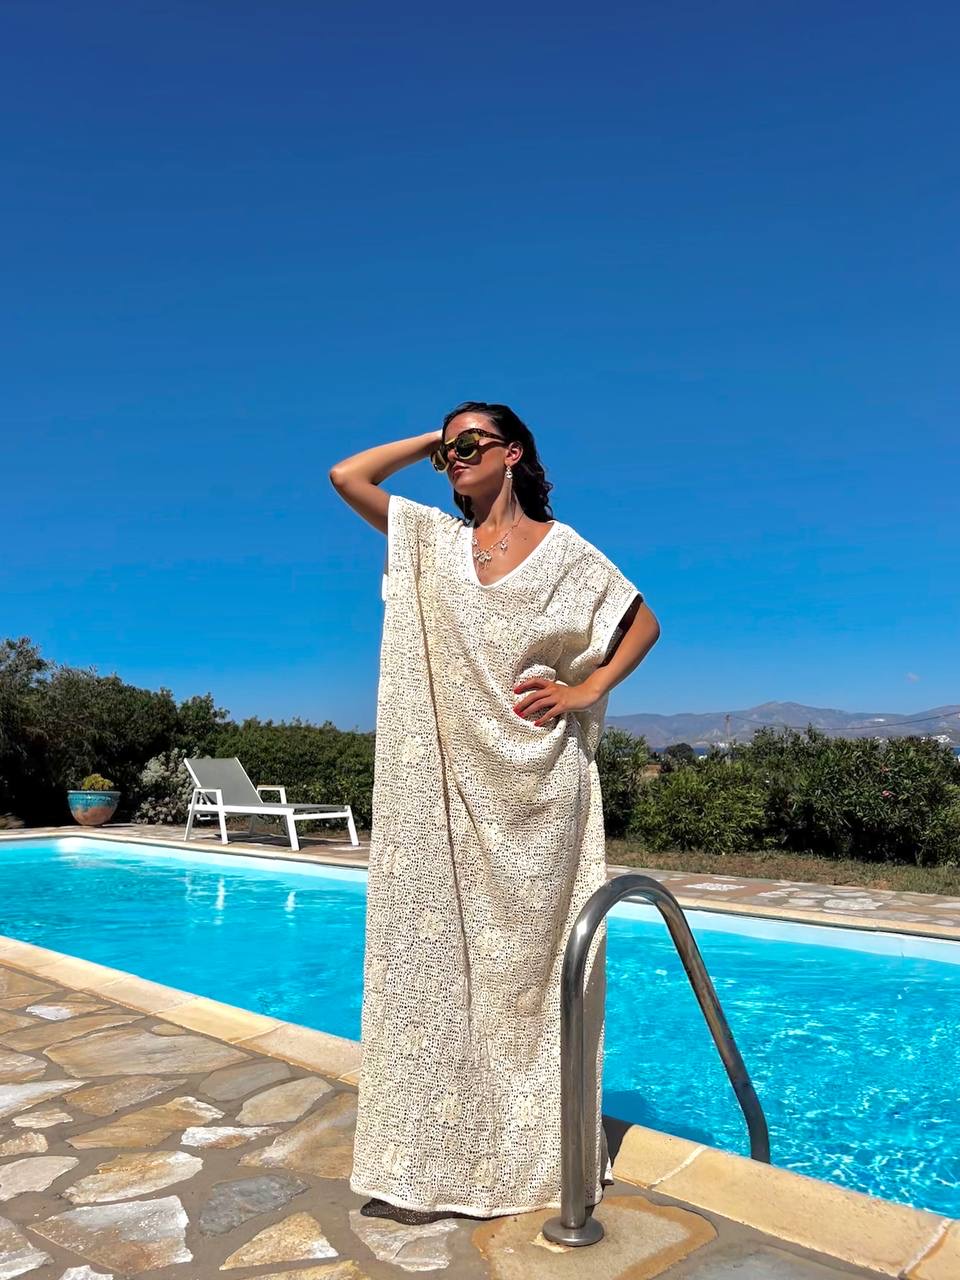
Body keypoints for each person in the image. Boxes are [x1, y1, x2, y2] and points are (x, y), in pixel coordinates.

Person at [328, 401, 661, 1224]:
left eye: (471, 443)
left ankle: (534, 1159)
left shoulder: (566, 550)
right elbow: (347, 476)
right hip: (442, 791)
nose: (456, 457)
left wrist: (585, 690)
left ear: (513, 453)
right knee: (433, 975)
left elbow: (643, 622)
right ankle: (433, 1161)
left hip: (538, 788)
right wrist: (431, 439)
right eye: (448, 450)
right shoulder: (431, 540)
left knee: (528, 979)